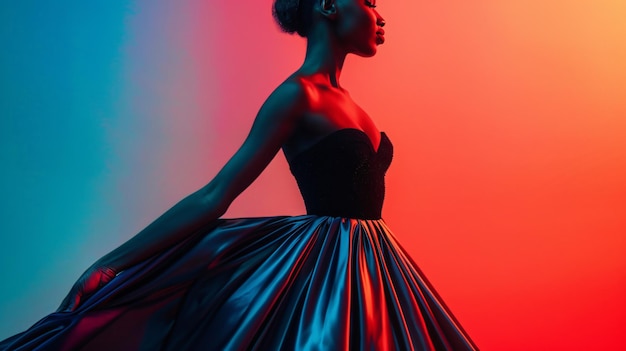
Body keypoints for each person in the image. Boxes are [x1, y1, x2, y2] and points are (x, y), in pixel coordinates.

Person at [1, 0, 478, 350]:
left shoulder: (354, 105)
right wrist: (111, 263)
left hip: (380, 268)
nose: (381, 14)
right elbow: (215, 195)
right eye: (370, 1)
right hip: (326, 274)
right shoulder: (298, 97)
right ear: (329, 5)